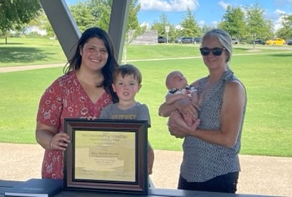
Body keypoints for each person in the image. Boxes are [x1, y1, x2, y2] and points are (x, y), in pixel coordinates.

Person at [159, 29, 246, 193]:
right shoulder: (198, 85)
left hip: (218, 174)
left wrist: (191, 131)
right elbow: (162, 110)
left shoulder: (232, 86)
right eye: (205, 50)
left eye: (216, 50)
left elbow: (228, 139)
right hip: (189, 171)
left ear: (227, 53)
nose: (210, 55)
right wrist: (179, 105)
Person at [36, 27, 119, 179]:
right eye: (91, 48)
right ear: (81, 50)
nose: (97, 54)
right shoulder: (60, 87)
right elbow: (41, 132)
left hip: (106, 173)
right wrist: (52, 141)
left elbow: (132, 120)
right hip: (62, 173)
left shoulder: (117, 87)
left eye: (103, 50)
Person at [99, 64, 155, 175]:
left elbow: (140, 134)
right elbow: (102, 135)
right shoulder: (107, 111)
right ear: (114, 87)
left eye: (131, 83)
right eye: (121, 83)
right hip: (113, 158)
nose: (126, 87)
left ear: (138, 87)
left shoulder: (142, 109)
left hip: (136, 157)